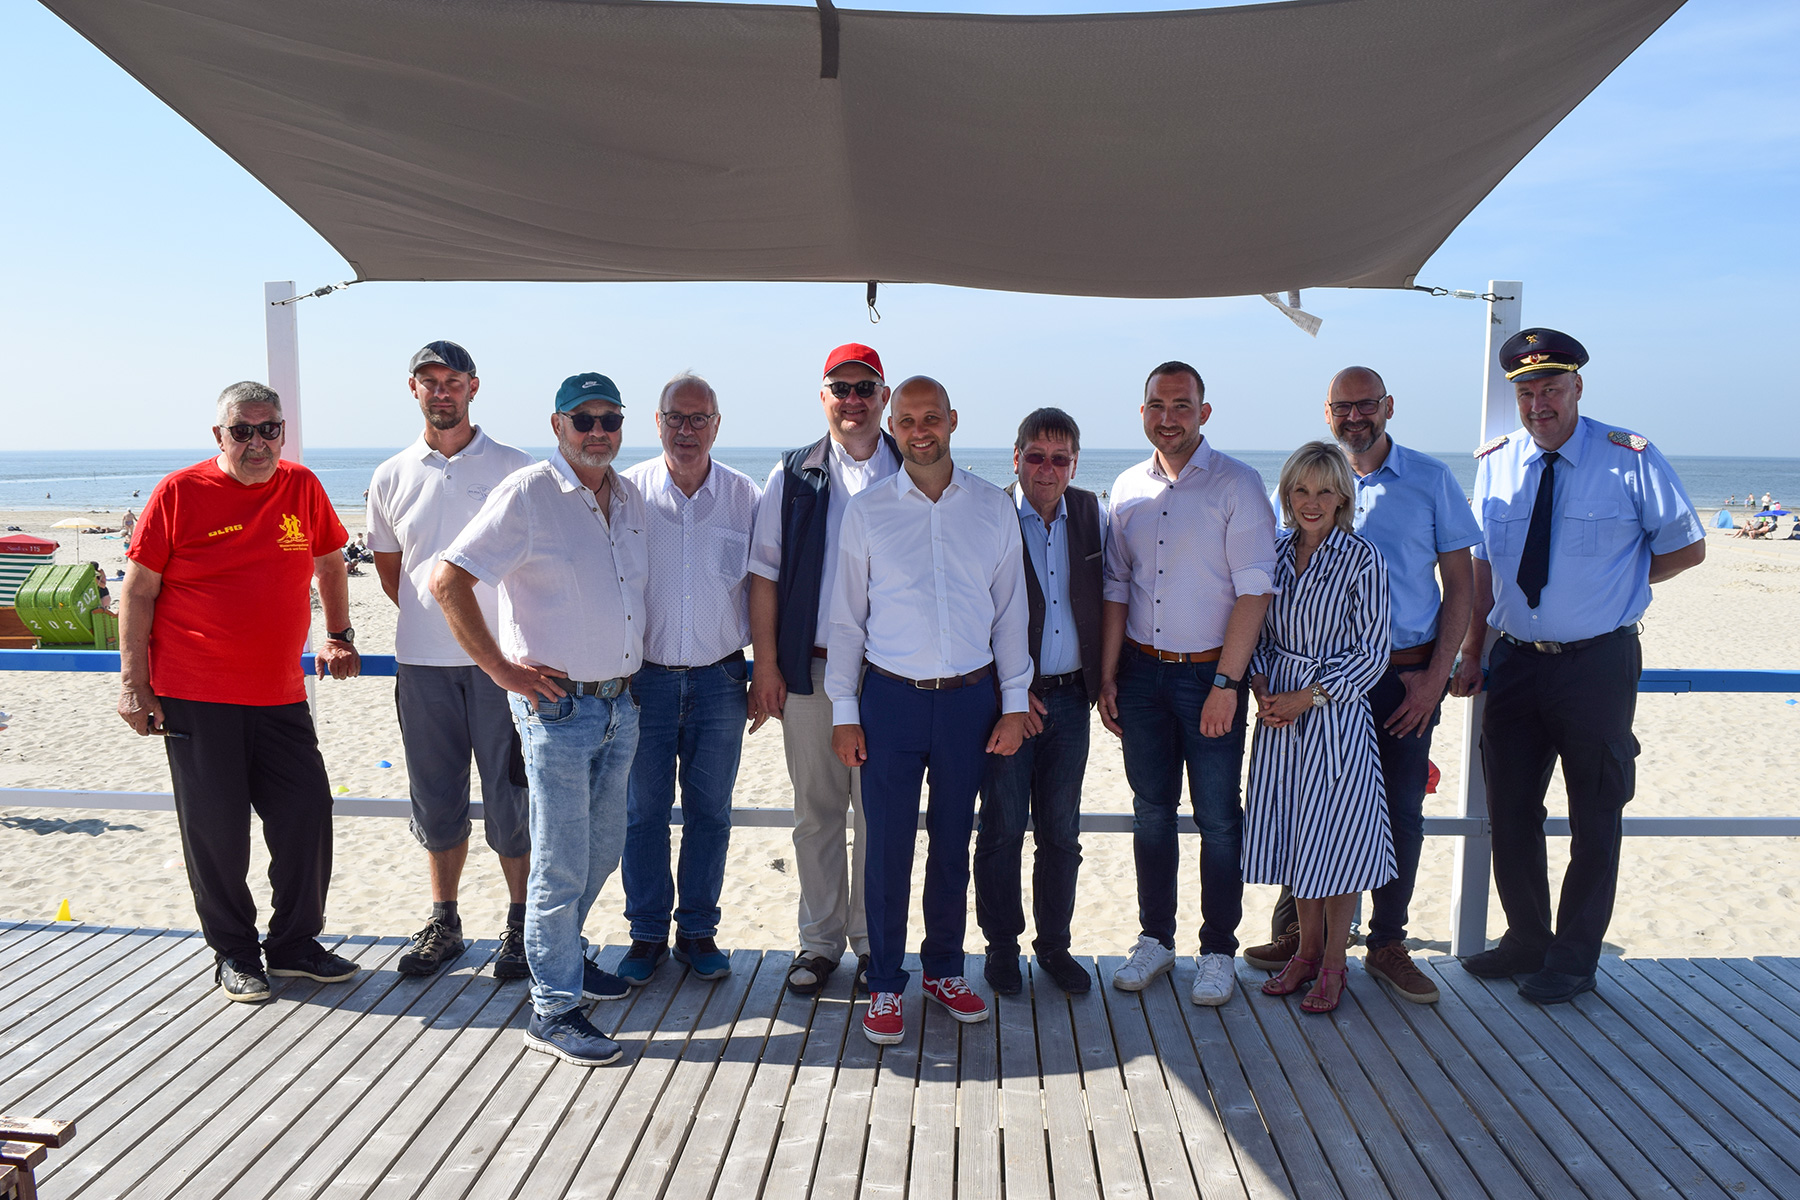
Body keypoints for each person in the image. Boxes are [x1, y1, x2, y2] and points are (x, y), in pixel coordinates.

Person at [1451, 328, 1704, 1004]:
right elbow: (1484, 566)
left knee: (1595, 812)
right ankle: (1526, 938)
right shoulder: (1498, 462)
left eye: (1551, 389)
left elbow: (1687, 547)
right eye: (1526, 393)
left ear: (1577, 388)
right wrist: (1473, 651)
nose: (1539, 404)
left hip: (1597, 664)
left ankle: (1574, 958)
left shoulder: (1629, 458)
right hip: (1514, 662)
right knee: (1509, 808)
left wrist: (1620, 582)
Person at [116, 381, 361, 1004]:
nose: (257, 442)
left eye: (269, 428)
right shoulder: (179, 492)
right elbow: (138, 591)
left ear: (282, 431)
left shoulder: (302, 486)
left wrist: (338, 636)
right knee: (217, 832)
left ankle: (294, 945)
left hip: (281, 694)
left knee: (307, 814)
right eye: (242, 431)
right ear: (219, 436)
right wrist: (134, 685)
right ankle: (234, 953)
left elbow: (330, 563)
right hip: (196, 693)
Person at [431, 371, 648, 1067]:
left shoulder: (627, 495)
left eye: (610, 419)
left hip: (620, 705)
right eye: (583, 420)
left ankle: (567, 960)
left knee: (602, 850)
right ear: (558, 426)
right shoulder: (528, 492)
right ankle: (552, 1008)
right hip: (558, 711)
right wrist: (501, 670)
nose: (598, 432)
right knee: (558, 863)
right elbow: (447, 580)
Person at [1243, 367, 1479, 1005]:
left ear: (1387, 406)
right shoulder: (1291, 520)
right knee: (1304, 810)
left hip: (1402, 675)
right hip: (1298, 689)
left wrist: (1436, 676)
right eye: (1342, 407)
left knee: (1396, 810)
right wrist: (1264, 683)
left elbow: (1461, 583)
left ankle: (1386, 943)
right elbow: (1263, 609)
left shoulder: (1430, 479)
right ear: (1327, 413)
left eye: (1366, 404)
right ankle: (1302, 941)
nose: (1355, 416)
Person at [826, 375, 1032, 1045]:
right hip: (889, 701)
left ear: (952, 420)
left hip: (971, 701)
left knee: (952, 844)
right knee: (886, 847)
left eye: (932, 418)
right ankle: (886, 982)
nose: (921, 431)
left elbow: (1010, 615)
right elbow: (847, 619)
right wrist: (843, 710)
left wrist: (1013, 703)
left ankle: (944, 970)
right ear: (893, 425)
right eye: (909, 419)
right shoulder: (867, 512)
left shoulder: (992, 507)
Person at [1099, 361, 1277, 1005]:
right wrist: (1108, 675)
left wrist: (1228, 682)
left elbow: (1256, 590)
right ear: (1142, 412)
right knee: (1151, 813)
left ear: (1204, 412)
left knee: (1219, 818)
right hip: (1140, 673)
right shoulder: (1126, 488)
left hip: (1210, 675)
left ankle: (1218, 949)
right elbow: (1117, 586)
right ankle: (1156, 939)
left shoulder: (1239, 484)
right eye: (1157, 404)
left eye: (1181, 405)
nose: (1168, 417)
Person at [367, 340, 536, 981]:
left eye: (453, 381)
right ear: (413, 388)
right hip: (421, 665)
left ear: (473, 387)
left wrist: (487, 640)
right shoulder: (390, 475)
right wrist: (438, 625)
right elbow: (394, 573)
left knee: (512, 800)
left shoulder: (517, 468)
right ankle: (445, 921)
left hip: (502, 665)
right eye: (429, 381)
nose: (442, 392)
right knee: (435, 800)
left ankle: (519, 924)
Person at [747, 344, 901, 996]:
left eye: (865, 387)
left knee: (879, 817)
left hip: (890, 678)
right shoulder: (791, 475)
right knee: (816, 814)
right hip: (809, 673)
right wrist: (767, 665)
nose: (853, 400)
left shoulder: (914, 468)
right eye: (841, 388)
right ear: (823, 397)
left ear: (884, 396)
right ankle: (818, 944)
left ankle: (871, 946)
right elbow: (763, 576)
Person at [617, 373, 761, 986]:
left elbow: (765, 589)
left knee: (711, 813)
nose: (687, 429)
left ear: (717, 425)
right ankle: (647, 933)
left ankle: (698, 931)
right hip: (642, 681)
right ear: (657, 422)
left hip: (721, 680)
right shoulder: (626, 493)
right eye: (676, 417)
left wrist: (766, 669)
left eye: (699, 418)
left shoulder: (746, 497)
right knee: (641, 813)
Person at [1244, 442, 1394, 1015]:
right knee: (1297, 837)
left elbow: (1373, 651)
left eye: (1324, 491)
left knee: (1339, 840)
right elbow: (1258, 630)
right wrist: (1261, 684)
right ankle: (1304, 954)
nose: (1312, 502)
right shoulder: (1274, 553)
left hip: (1334, 715)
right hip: (1278, 715)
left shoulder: (1363, 558)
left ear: (1342, 498)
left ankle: (1334, 964)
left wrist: (1308, 696)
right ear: (1287, 495)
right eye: (1301, 490)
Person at [973, 408, 1105, 997]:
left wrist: (1105, 681)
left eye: (1059, 459)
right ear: (1016, 457)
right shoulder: (991, 514)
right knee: (1001, 828)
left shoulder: (1091, 513)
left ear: (1074, 464)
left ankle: (1054, 946)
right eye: (1035, 457)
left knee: (1061, 833)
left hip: (1072, 701)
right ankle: (1001, 946)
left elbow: (1110, 596)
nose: (1046, 470)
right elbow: (973, 610)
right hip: (1008, 702)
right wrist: (1010, 689)